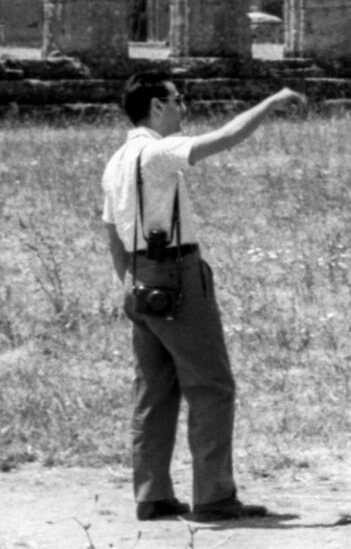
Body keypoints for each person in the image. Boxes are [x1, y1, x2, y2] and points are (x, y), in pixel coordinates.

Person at [102, 72, 304, 523]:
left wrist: (127, 282)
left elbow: (111, 229)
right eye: (177, 99)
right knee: (212, 385)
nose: (183, 107)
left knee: (153, 390)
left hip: (140, 277)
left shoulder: (117, 159)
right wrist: (270, 103)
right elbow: (224, 138)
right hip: (175, 273)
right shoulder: (155, 152)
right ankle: (213, 497)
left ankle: (152, 495)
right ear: (156, 105)